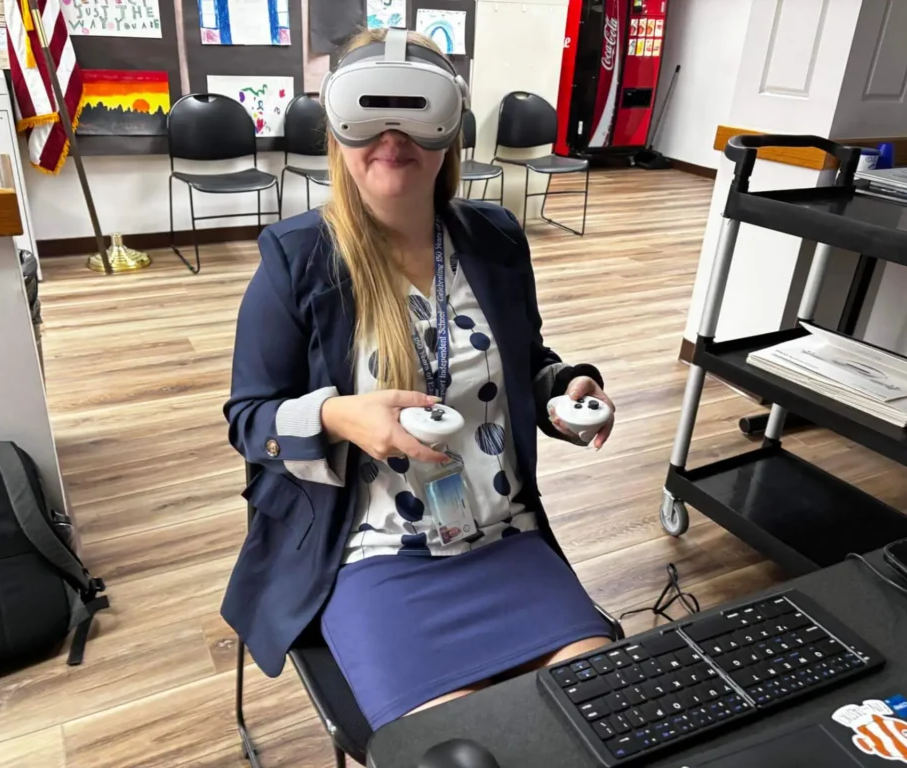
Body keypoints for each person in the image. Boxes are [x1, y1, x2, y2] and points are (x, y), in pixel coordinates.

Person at [221, 28, 616, 731]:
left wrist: (562, 388)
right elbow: (249, 420)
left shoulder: (494, 239)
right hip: (371, 556)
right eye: (369, 115)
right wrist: (339, 417)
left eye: (417, 113)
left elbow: (524, 360)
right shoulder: (298, 260)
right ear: (337, 132)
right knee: (457, 746)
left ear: (450, 131)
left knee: (600, 717)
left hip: (504, 539)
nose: (392, 136)